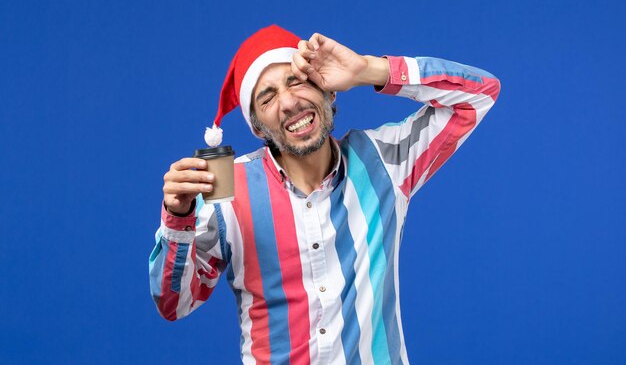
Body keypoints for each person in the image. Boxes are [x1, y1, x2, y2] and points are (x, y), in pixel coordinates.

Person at [149, 25, 500, 365]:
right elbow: (174, 304)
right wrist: (177, 218)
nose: (288, 103)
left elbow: (479, 94)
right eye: (267, 97)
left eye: (297, 82)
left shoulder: (384, 162)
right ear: (257, 127)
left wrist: (368, 70)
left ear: (329, 91)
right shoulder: (227, 193)